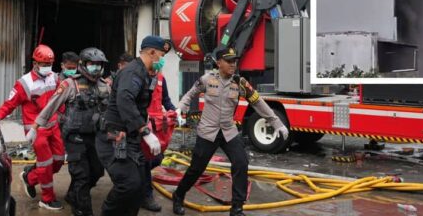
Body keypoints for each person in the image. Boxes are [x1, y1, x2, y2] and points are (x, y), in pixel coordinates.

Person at [172, 47, 289, 216]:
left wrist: (277, 123)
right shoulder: (207, 80)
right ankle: (179, 195)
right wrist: (180, 109)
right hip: (208, 132)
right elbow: (190, 95)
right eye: (229, 61)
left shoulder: (240, 83)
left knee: (241, 163)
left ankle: (237, 208)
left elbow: (258, 102)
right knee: (196, 169)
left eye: (234, 61)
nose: (233, 64)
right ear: (219, 63)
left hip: (229, 131)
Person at [96, 36, 169, 216]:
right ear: (152, 52)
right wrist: (144, 131)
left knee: (139, 186)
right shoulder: (133, 72)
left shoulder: (145, 73)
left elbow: (140, 105)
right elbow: (125, 100)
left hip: (130, 138)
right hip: (115, 137)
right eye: (161, 55)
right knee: (128, 184)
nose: (162, 60)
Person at [32, 48, 110, 216]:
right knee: (81, 175)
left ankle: (73, 194)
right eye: (92, 64)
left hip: (95, 136)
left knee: (97, 171)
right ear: (83, 65)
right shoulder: (70, 84)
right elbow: (51, 106)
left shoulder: (104, 85)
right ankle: (82, 210)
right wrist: (36, 126)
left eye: (99, 64)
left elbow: (112, 109)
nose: (96, 67)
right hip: (75, 137)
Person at [0, 44, 65, 211]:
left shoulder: (54, 78)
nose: (47, 67)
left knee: (58, 161)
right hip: (36, 130)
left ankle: (30, 177)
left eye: (50, 64)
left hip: (53, 126)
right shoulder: (24, 83)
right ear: (35, 63)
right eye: (44, 64)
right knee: (46, 164)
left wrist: (62, 114)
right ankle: (47, 199)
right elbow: (9, 104)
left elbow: (60, 98)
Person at [140, 45, 178, 213]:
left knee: (157, 159)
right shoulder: (138, 77)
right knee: (145, 161)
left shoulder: (161, 79)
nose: (162, 60)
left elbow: (166, 100)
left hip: (158, 127)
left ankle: (138, 181)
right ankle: (146, 196)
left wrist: (175, 112)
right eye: (161, 55)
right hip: (142, 126)